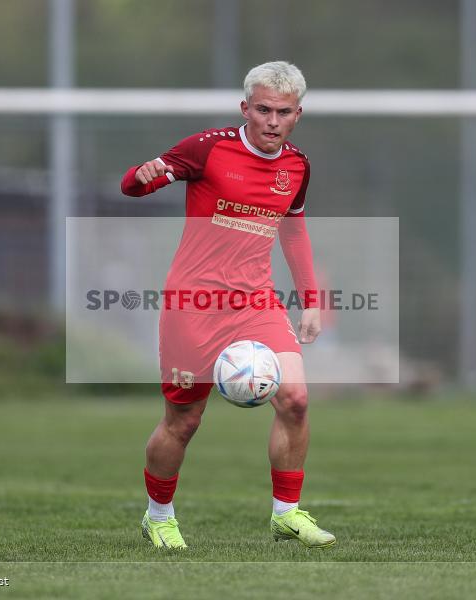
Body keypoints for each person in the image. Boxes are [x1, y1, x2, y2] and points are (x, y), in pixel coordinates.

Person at [120, 61, 335, 549]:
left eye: (283, 112)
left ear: (298, 114)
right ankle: (159, 516)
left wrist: (311, 300)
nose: (272, 121)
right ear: (245, 108)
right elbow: (132, 186)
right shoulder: (208, 148)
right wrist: (141, 175)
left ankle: (286, 514)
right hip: (193, 304)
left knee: (296, 400)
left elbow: (293, 231)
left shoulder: (297, 166)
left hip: (256, 301)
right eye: (263, 110)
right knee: (184, 421)